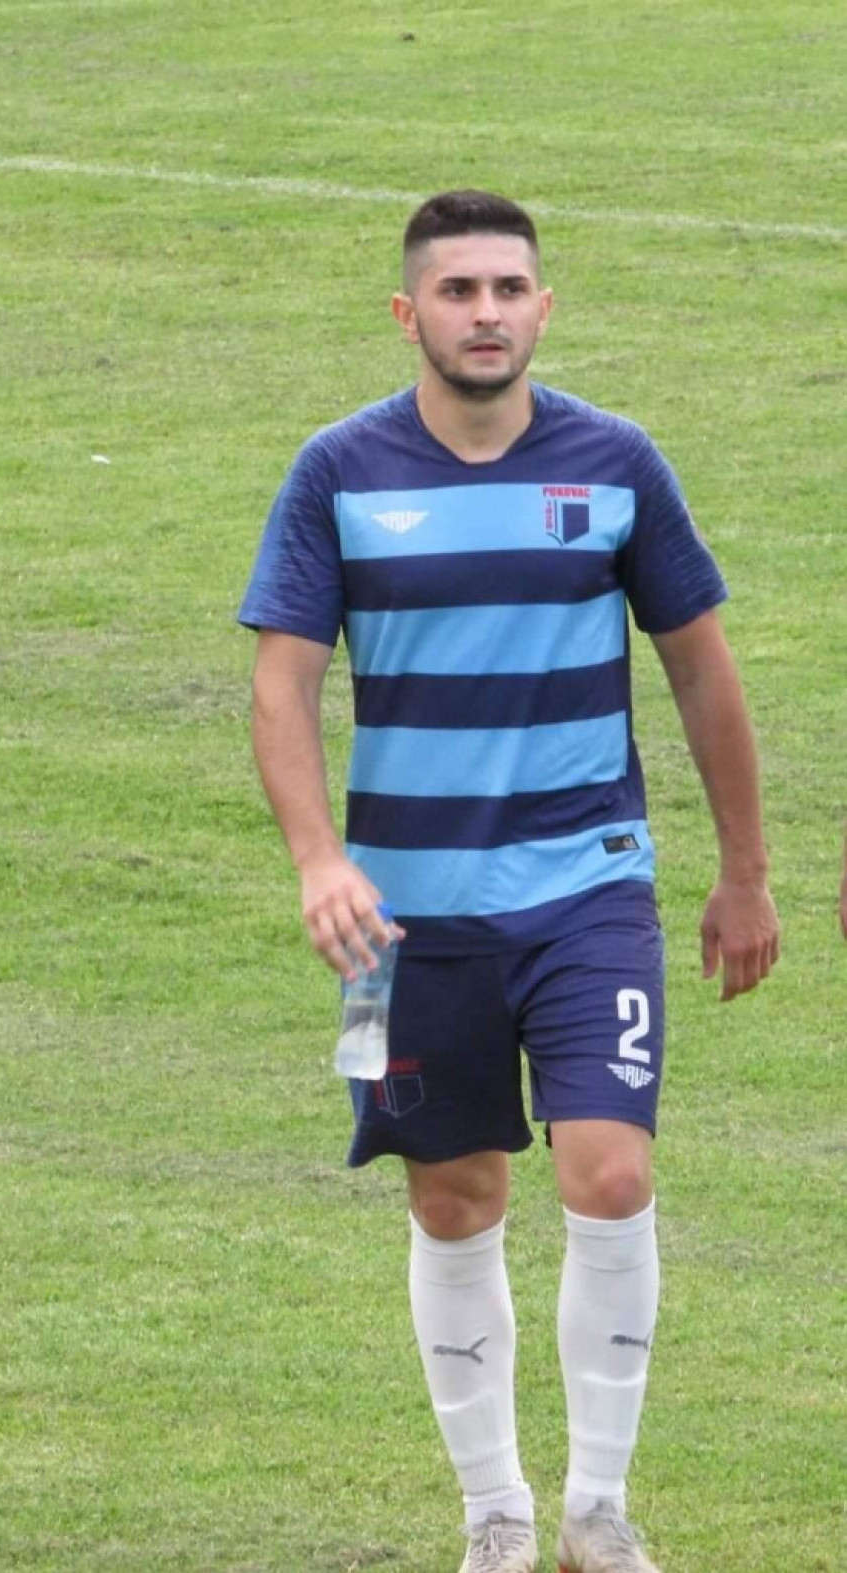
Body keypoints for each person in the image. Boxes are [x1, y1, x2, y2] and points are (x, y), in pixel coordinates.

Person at [240, 191, 780, 1573]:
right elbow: (282, 683)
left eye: (508, 288)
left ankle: (599, 1509)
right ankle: (497, 1514)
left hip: (589, 888)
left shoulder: (617, 463)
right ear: (407, 313)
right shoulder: (339, 471)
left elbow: (701, 667)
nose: (486, 312)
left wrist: (744, 872)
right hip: (401, 923)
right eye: (458, 290)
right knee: (453, 1196)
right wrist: (318, 860)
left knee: (611, 1169)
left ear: (545, 306)